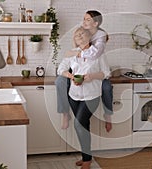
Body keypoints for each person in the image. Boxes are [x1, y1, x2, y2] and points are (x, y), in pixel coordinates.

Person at [57, 26, 111, 169]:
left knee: (79, 123)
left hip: (91, 95)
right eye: (76, 35)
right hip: (74, 95)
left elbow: (106, 73)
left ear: (89, 37)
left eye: (82, 33)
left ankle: (87, 161)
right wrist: (71, 76)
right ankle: (86, 157)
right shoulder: (72, 53)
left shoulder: (98, 53)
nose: (79, 36)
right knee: (83, 125)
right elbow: (60, 69)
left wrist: (91, 77)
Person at [55, 10, 113, 131]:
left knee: (107, 87)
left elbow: (96, 53)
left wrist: (78, 53)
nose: (84, 21)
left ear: (95, 23)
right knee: (60, 81)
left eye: (88, 20)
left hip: (95, 68)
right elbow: (75, 41)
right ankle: (65, 113)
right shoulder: (82, 31)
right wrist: (71, 73)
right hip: (77, 68)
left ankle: (108, 115)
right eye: (84, 19)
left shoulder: (100, 35)